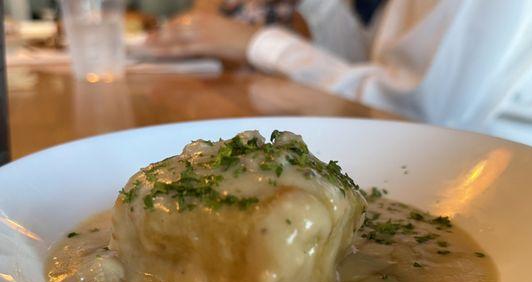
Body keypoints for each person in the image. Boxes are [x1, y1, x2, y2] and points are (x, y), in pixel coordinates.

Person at [147, 0, 532, 143]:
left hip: (488, 176)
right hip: (399, 144)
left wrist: (256, 43)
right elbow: (361, 61)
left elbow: (425, 109)